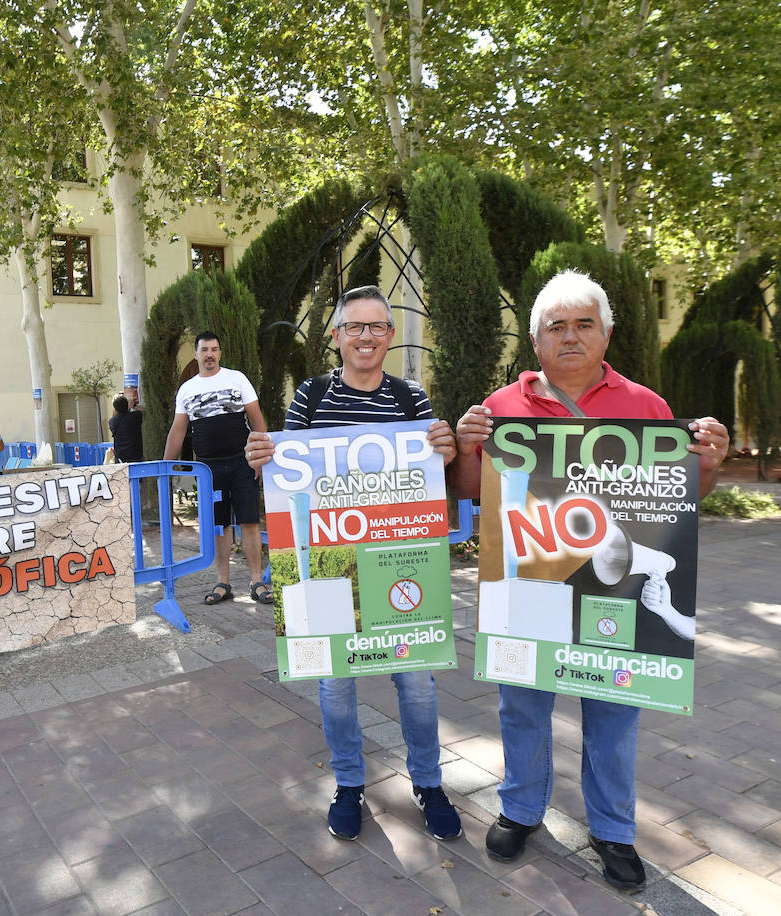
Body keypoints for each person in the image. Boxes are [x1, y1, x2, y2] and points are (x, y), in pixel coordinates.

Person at [449, 269, 730, 890]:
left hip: (616, 592)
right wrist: (465, 450)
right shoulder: (500, 407)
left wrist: (706, 465)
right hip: (530, 584)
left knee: (614, 709)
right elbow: (471, 496)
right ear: (535, 339)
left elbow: (675, 500)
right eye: (557, 326)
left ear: (606, 333)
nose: (570, 336)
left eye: (584, 324)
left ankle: (612, 830)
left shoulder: (646, 407)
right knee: (521, 704)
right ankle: (521, 809)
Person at [244, 285, 463, 843]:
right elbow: (286, 475)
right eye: (355, 327)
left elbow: (436, 475)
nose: (366, 336)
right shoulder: (311, 396)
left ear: (390, 337)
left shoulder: (413, 399)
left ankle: (429, 783)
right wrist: (261, 458)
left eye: (377, 327)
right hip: (327, 557)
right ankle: (348, 783)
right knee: (336, 686)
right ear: (337, 336)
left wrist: (446, 447)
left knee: (416, 682)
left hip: (398, 558)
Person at [163, 331, 271, 605]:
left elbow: (257, 419)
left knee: (249, 521)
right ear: (197, 355)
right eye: (204, 350)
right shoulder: (187, 389)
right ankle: (223, 582)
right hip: (209, 469)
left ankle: (257, 581)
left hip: (242, 462)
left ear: (219, 353)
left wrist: (259, 458)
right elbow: (178, 431)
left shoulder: (237, 379)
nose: (210, 354)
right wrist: (165, 468)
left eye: (214, 349)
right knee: (219, 526)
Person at [109, 394, 144, 462]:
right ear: (126, 405)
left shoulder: (112, 422)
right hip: (136, 456)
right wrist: (132, 406)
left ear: (115, 408)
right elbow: (143, 410)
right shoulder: (136, 416)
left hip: (120, 458)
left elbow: (117, 416)